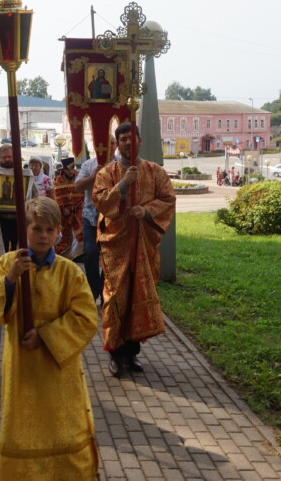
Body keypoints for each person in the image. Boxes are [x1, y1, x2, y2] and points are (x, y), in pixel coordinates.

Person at [0, 197, 99, 479]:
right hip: (22, 368)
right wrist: (10, 279)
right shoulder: (8, 263)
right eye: (37, 229)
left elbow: (86, 318)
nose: (43, 236)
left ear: (58, 232)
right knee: (23, 426)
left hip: (59, 371)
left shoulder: (70, 272)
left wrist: (46, 336)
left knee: (64, 426)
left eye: (49, 230)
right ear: (26, 230)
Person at [93, 122, 176, 378]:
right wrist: (123, 185)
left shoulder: (155, 171)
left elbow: (168, 198)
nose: (128, 143)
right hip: (116, 246)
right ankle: (115, 355)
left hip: (143, 245)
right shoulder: (108, 173)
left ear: (140, 140)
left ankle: (131, 353)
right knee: (116, 297)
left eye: (132, 138)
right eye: (123, 139)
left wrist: (146, 210)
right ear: (117, 144)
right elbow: (101, 200)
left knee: (137, 296)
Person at [74, 138, 117, 303]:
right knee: (90, 254)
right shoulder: (89, 165)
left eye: (112, 143)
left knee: (109, 256)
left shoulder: (121, 165)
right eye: (106, 142)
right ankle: (93, 290)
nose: (109, 146)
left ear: (116, 146)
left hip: (113, 218)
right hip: (91, 216)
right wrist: (93, 176)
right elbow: (78, 186)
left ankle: (102, 287)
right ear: (97, 146)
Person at [0, 143, 36, 262]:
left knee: (21, 250)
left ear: (16, 156)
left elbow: (35, 195)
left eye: (10, 156)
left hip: (21, 219)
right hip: (0, 219)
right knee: (1, 254)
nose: (8, 159)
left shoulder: (25, 175)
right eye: (4, 157)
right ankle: (2, 277)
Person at [53, 157, 83, 259]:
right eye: (68, 170)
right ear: (64, 169)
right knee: (66, 233)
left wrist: (78, 205)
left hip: (77, 209)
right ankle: (66, 254)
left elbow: (82, 193)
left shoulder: (79, 177)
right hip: (64, 212)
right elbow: (57, 195)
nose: (70, 172)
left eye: (72, 169)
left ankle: (78, 254)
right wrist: (63, 208)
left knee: (79, 231)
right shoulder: (59, 179)